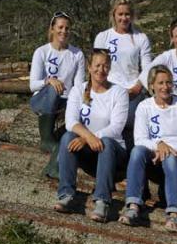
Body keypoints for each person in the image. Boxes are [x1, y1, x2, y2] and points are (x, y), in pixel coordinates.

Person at [54, 49, 129, 223]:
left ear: (109, 68)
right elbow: (71, 121)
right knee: (67, 137)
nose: (101, 70)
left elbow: (116, 128)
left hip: (113, 151)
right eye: (97, 65)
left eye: (105, 66)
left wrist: (89, 138)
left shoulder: (119, 93)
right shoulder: (78, 90)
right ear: (89, 67)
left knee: (107, 143)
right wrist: (88, 137)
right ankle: (66, 194)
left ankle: (102, 201)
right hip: (88, 150)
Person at [118, 65, 177, 233]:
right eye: (160, 83)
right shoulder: (144, 106)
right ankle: (133, 205)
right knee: (137, 152)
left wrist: (167, 150)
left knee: (170, 158)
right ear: (151, 85)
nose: (165, 87)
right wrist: (159, 145)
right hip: (153, 156)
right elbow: (139, 139)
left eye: (168, 82)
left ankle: (174, 214)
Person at [29, 11, 85, 179]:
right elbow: (32, 85)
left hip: (66, 102)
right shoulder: (42, 52)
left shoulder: (77, 54)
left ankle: (53, 168)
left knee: (70, 132)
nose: (64, 31)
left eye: (67, 28)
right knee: (54, 89)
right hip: (43, 100)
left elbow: (79, 86)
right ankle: (46, 137)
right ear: (52, 29)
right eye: (60, 27)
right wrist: (49, 80)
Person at [94, 0, 152, 150]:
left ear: (132, 15)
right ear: (114, 15)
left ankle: (127, 155)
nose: (124, 18)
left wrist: (138, 87)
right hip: (108, 89)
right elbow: (96, 66)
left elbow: (147, 68)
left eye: (127, 14)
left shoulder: (141, 38)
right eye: (120, 14)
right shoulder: (103, 37)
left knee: (128, 120)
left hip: (132, 90)